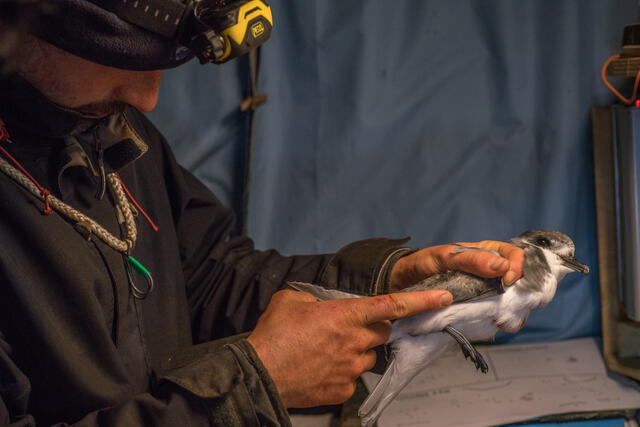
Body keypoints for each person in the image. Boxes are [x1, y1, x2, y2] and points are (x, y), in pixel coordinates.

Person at [0, 1, 524, 425]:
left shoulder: (108, 128)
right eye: (123, 55)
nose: (147, 96)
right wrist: (250, 388)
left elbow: (207, 278)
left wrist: (379, 286)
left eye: (165, 58)